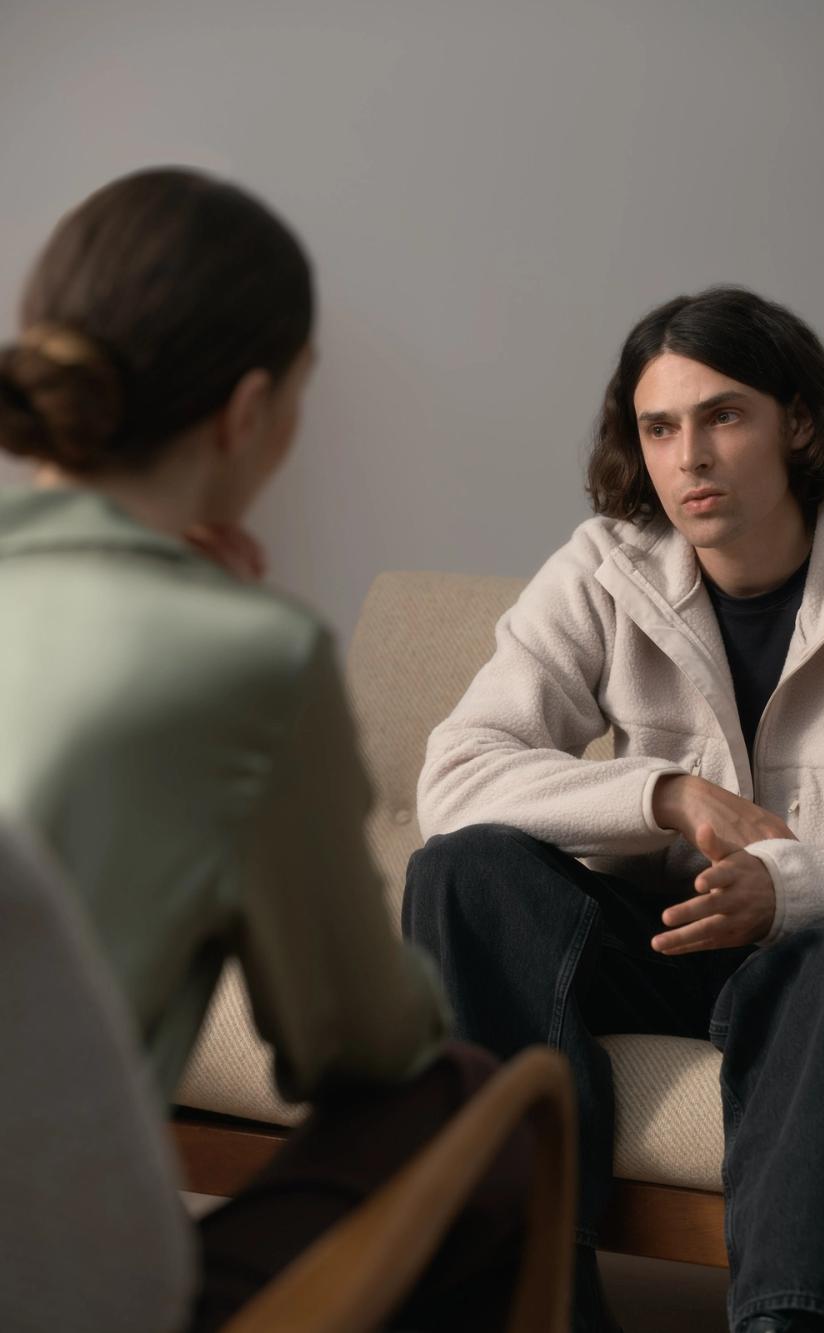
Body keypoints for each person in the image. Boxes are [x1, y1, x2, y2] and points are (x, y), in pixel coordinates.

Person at [403, 287, 824, 1333]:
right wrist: (664, 794)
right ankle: (522, 1304)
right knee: (462, 872)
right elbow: (455, 776)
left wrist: (790, 889)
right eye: (660, 427)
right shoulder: (602, 569)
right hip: (663, 944)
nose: (690, 458)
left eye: (723, 415)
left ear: (797, 423)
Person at [0, 167, 532, 1332]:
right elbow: (359, 1043)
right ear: (247, 413)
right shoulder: (245, 660)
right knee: (471, 1102)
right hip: (59, 1298)